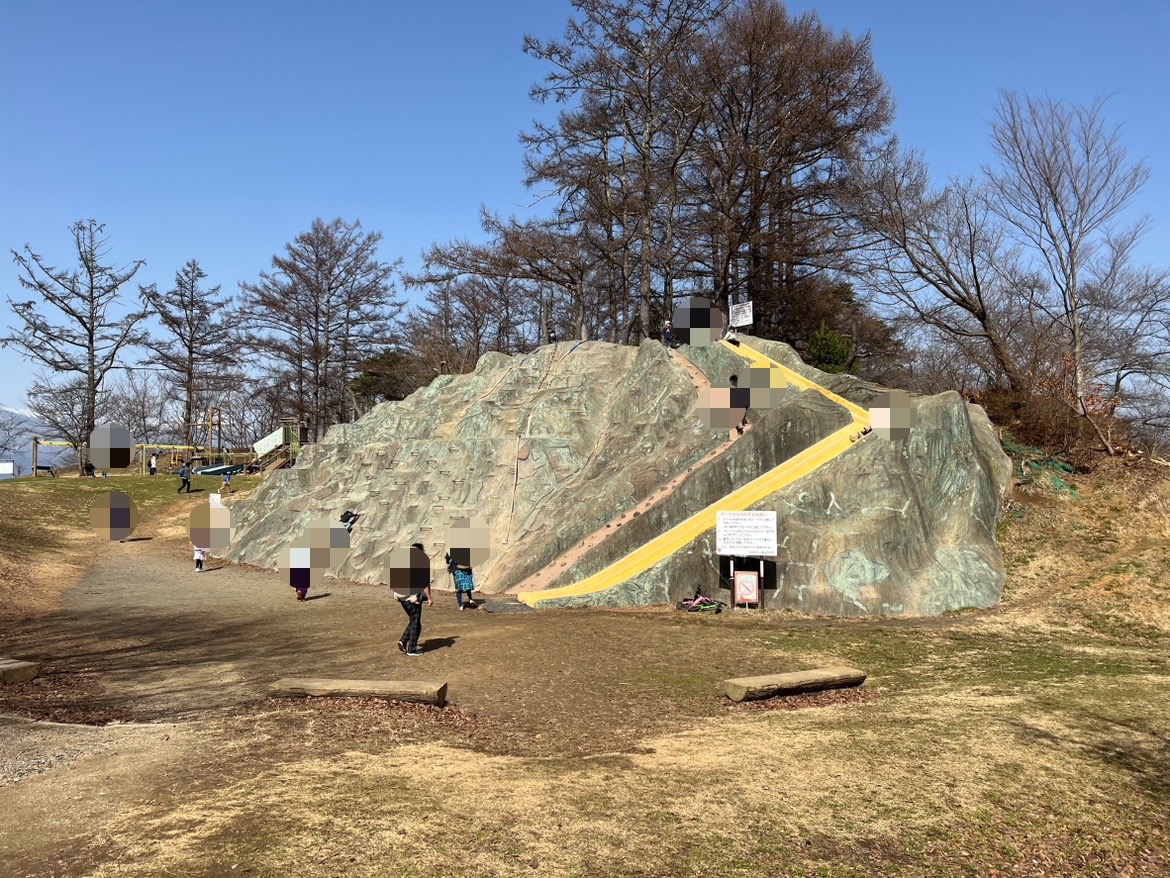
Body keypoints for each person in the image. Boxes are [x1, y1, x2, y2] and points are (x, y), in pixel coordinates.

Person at [397, 543, 433, 657]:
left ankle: (403, 641)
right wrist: (430, 598)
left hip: (402, 598)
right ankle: (411, 649)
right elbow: (424, 584)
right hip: (413, 598)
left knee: (414, 621)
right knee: (415, 623)